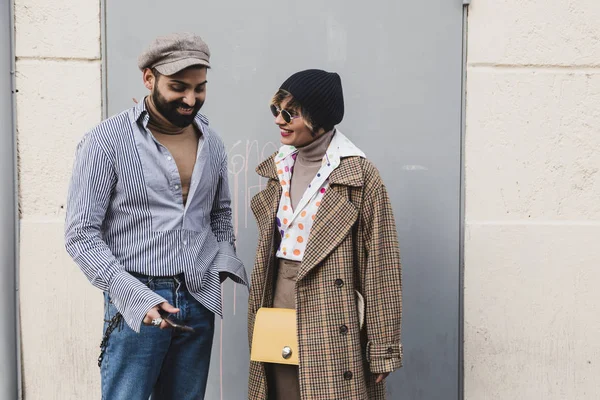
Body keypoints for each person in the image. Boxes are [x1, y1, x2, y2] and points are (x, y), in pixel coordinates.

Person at [64, 32, 247, 400]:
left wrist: (221, 259)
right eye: (179, 87)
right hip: (137, 299)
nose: (190, 99)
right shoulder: (106, 141)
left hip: (198, 296)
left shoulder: (211, 140)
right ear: (149, 79)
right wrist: (134, 295)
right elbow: (80, 235)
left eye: (200, 88)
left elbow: (220, 210)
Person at [247, 69, 403, 399]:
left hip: (333, 307)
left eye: (291, 113)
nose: (279, 120)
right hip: (280, 299)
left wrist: (383, 347)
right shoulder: (279, 169)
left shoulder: (359, 175)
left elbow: (382, 265)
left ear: (320, 118)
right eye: (276, 110)